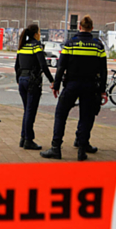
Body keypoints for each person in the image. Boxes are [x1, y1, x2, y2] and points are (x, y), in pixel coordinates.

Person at [41, 15, 107, 161]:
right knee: (86, 117)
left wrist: (56, 85)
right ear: (92, 28)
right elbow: (103, 70)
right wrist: (102, 90)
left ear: (79, 27)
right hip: (90, 86)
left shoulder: (70, 44)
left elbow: (61, 66)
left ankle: (56, 148)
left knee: (61, 114)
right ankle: (82, 150)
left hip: (71, 85)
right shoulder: (98, 46)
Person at [15, 25, 55, 150]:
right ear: (36, 34)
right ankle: (28, 140)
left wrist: (19, 80)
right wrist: (52, 81)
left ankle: (23, 137)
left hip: (22, 80)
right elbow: (43, 65)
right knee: (31, 112)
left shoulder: (22, 46)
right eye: (39, 32)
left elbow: (16, 66)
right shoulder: (36, 46)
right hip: (33, 82)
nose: (39, 34)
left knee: (27, 110)